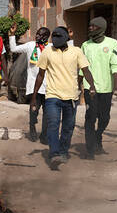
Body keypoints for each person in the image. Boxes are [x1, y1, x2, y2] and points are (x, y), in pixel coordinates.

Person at [32, 27, 96, 170]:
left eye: (59, 38)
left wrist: (91, 85)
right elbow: (40, 75)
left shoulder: (77, 51)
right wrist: (34, 97)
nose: (55, 41)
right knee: (53, 125)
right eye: (53, 38)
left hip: (72, 97)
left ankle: (63, 152)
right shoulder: (47, 52)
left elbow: (86, 70)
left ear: (67, 38)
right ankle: (54, 154)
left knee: (68, 128)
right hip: (52, 96)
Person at [79, 17, 117, 158]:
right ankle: (90, 149)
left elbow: (115, 64)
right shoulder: (85, 45)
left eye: (93, 26)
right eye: (89, 26)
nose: (90, 28)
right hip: (89, 88)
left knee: (105, 118)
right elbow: (82, 68)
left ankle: (98, 135)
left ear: (101, 27)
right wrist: (78, 85)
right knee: (90, 117)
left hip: (106, 88)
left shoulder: (112, 43)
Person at [8, 23, 51, 142]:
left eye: (41, 35)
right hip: (34, 86)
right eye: (37, 34)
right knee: (34, 110)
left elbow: (65, 48)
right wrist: (12, 35)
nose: (37, 36)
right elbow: (14, 49)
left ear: (47, 37)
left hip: (48, 86)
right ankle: (32, 129)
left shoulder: (51, 47)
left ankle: (44, 134)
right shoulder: (30, 46)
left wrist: (71, 39)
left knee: (48, 113)